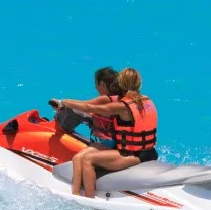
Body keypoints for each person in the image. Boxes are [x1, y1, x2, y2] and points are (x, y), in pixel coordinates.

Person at [54, 68, 157, 198]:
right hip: (148, 151)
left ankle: (89, 200)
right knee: (81, 157)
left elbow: (88, 107)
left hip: (135, 154)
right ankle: (76, 193)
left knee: (88, 159)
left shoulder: (122, 106)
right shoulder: (147, 100)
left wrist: (62, 102)